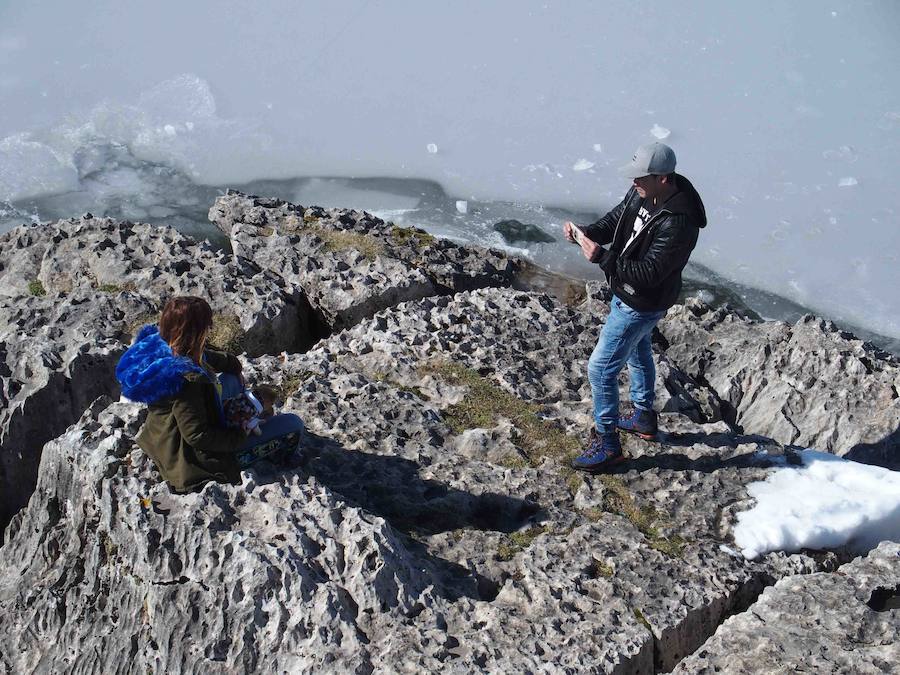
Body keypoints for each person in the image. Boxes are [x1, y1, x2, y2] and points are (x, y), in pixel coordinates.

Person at [564, 142, 706, 472]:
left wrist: (602, 257)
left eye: (640, 177)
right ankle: (643, 417)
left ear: (664, 178)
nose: (633, 183)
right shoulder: (643, 193)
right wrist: (587, 233)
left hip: (640, 302)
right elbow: (619, 219)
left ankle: (607, 442)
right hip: (631, 296)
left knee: (600, 369)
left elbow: (649, 275)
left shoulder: (679, 222)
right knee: (639, 350)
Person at [115, 296, 305, 492]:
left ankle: (247, 420)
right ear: (196, 333)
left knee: (231, 380)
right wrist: (240, 434)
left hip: (161, 436)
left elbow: (206, 356)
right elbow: (197, 436)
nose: (210, 329)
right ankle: (282, 457)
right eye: (207, 326)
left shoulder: (160, 348)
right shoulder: (187, 381)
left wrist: (234, 365)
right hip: (193, 461)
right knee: (293, 425)